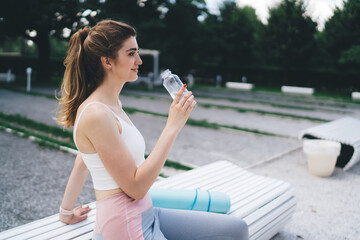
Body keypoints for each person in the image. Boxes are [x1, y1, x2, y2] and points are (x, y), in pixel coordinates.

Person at [57, 19, 248, 240]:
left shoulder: (112, 105)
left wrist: (66, 212)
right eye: (131, 54)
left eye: (137, 53)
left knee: (237, 229)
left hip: (147, 212)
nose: (139, 60)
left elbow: (82, 161)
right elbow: (136, 187)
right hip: (124, 226)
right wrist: (172, 126)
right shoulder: (96, 114)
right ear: (107, 62)